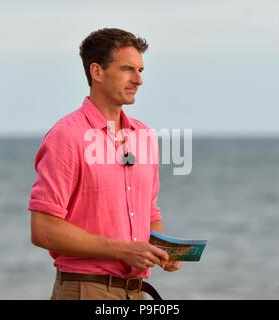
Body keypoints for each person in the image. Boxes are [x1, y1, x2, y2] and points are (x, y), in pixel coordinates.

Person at [28, 28, 181, 300]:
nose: (138, 80)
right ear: (97, 72)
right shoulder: (67, 136)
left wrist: (161, 251)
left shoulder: (144, 136)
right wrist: (123, 250)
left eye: (140, 70)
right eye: (127, 69)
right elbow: (43, 229)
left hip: (138, 294)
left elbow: (151, 213)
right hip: (85, 290)